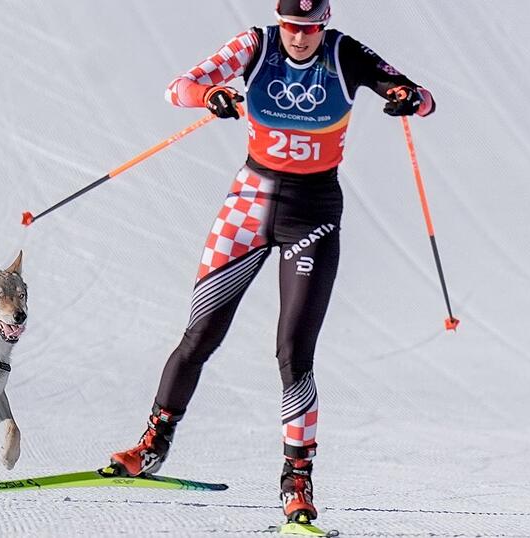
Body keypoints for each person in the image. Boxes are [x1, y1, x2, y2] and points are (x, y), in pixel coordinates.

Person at [110, 0, 435, 526]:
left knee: (293, 352)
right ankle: (152, 446)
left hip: (313, 216)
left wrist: (406, 98)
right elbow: (177, 88)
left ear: (322, 24)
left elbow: (422, 99)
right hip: (248, 206)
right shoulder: (255, 45)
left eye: (309, 28)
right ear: (279, 21)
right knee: (200, 335)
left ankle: (297, 482)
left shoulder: (344, 53)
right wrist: (210, 94)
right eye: (291, 26)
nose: (299, 38)